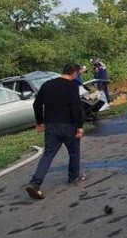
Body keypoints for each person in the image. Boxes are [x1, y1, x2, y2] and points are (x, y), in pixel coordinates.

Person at [24, 63, 86, 200]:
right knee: (74, 152)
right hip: (69, 126)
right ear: (74, 73)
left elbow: (37, 105)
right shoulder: (72, 86)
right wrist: (80, 126)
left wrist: (40, 122)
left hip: (51, 126)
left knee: (47, 155)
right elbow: (76, 107)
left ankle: (35, 183)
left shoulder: (47, 85)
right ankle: (74, 176)